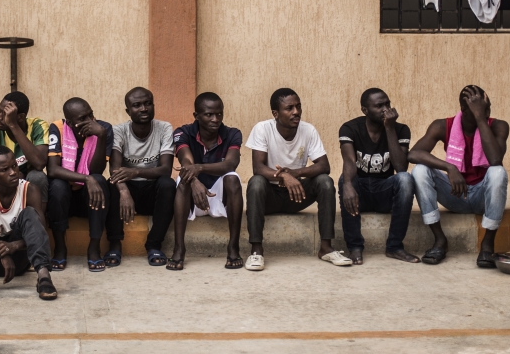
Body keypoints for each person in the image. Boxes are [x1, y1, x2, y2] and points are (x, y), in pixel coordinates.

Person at [409, 86, 510, 267]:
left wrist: (480, 118)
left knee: (498, 172)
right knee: (419, 170)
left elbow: (495, 159)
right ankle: (440, 241)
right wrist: (450, 168)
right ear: (463, 110)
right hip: (454, 194)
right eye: (478, 109)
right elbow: (414, 153)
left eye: (487, 107)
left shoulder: (498, 125)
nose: (486, 112)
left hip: (482, 197)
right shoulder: (442, 126)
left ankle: (487, 244)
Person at [244, 88, 336, 271]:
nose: (296, 112)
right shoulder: (262, 129)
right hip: (269, 197)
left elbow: (324, 165)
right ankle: (256, 251)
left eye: (298, 107)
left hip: (297, 195)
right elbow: (258, 167)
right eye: (290, 108)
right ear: (276, 113)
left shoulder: (308, 130)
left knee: (325, 181)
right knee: (256, 183)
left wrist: (295, 173)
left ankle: (326, 248)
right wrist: (284, 176)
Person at [0, 145, 57, 301]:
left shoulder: (30, 190)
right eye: (5, 170)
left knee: (30, 214)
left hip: (18, 260)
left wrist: (13, 247)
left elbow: (40, 233)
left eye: (14, 166)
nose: (13, 172)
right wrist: (2, 252)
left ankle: (43, 276)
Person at [338, 88, 419, 266]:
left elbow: (400, 167)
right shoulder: (350, 128)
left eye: (387, 104)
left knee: (406, 179)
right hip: (360, 195)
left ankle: (395, 247)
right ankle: (355, 247)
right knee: (345, 180)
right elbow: (350, 161)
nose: (385, 109)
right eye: (379, 106)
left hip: (385, 192)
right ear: (365, 110)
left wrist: (389, 128)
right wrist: (348, 185)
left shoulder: (401, 129)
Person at [168, 92, 244, 271]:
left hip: (218, 196)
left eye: (219, 114)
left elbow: (230, 164)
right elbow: (186, 162)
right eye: (209, 114)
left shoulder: (232, 134)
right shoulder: (182, 132)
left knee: (233, 179)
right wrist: (195, 180)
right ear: (196, 116)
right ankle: (179, 248)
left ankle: (233, 247)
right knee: (183, 180)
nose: (215, 119)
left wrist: (200, 168)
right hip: (193, 199)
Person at [106, 87, 176, 267]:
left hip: (152, 190)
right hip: (128, 190)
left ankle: (154, 245)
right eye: (137, 105)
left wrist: (135, 172)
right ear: (128, 111)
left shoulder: (164, 128)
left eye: (148, 103)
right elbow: (114, 168)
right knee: (111, 184)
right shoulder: (119, 130)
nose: (143, 108)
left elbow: (166, 169)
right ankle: (114, 243)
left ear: (153, 105)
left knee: (168, 184)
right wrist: (124, 192)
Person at [46, 97, 113, 272]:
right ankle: (60, 248)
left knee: (99, 179)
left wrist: (101, 136)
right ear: (70, 122)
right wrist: (86, 178)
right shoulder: (57, 128)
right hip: (64, 199)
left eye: (90, 115)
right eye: (82, 118)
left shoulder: (104, 129)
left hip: (88, 199)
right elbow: (53, 170)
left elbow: (97, 170)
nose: (89, 121)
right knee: (58, 185)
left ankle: (94, 247)